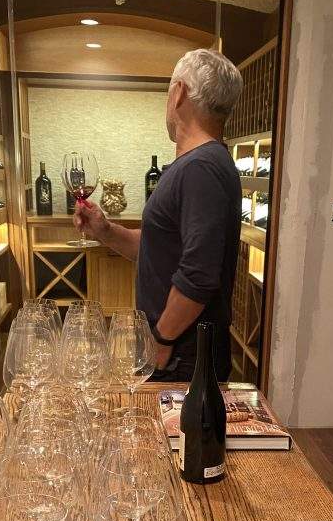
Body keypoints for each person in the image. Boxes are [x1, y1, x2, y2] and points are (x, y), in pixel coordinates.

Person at [75, 48, 243, 381]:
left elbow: (198, 274)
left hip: (182, 357)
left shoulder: (200, 168)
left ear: (179, 92)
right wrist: (105, 230)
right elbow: (160, 248)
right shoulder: (199, 165)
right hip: (180, 353)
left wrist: (162, 340)